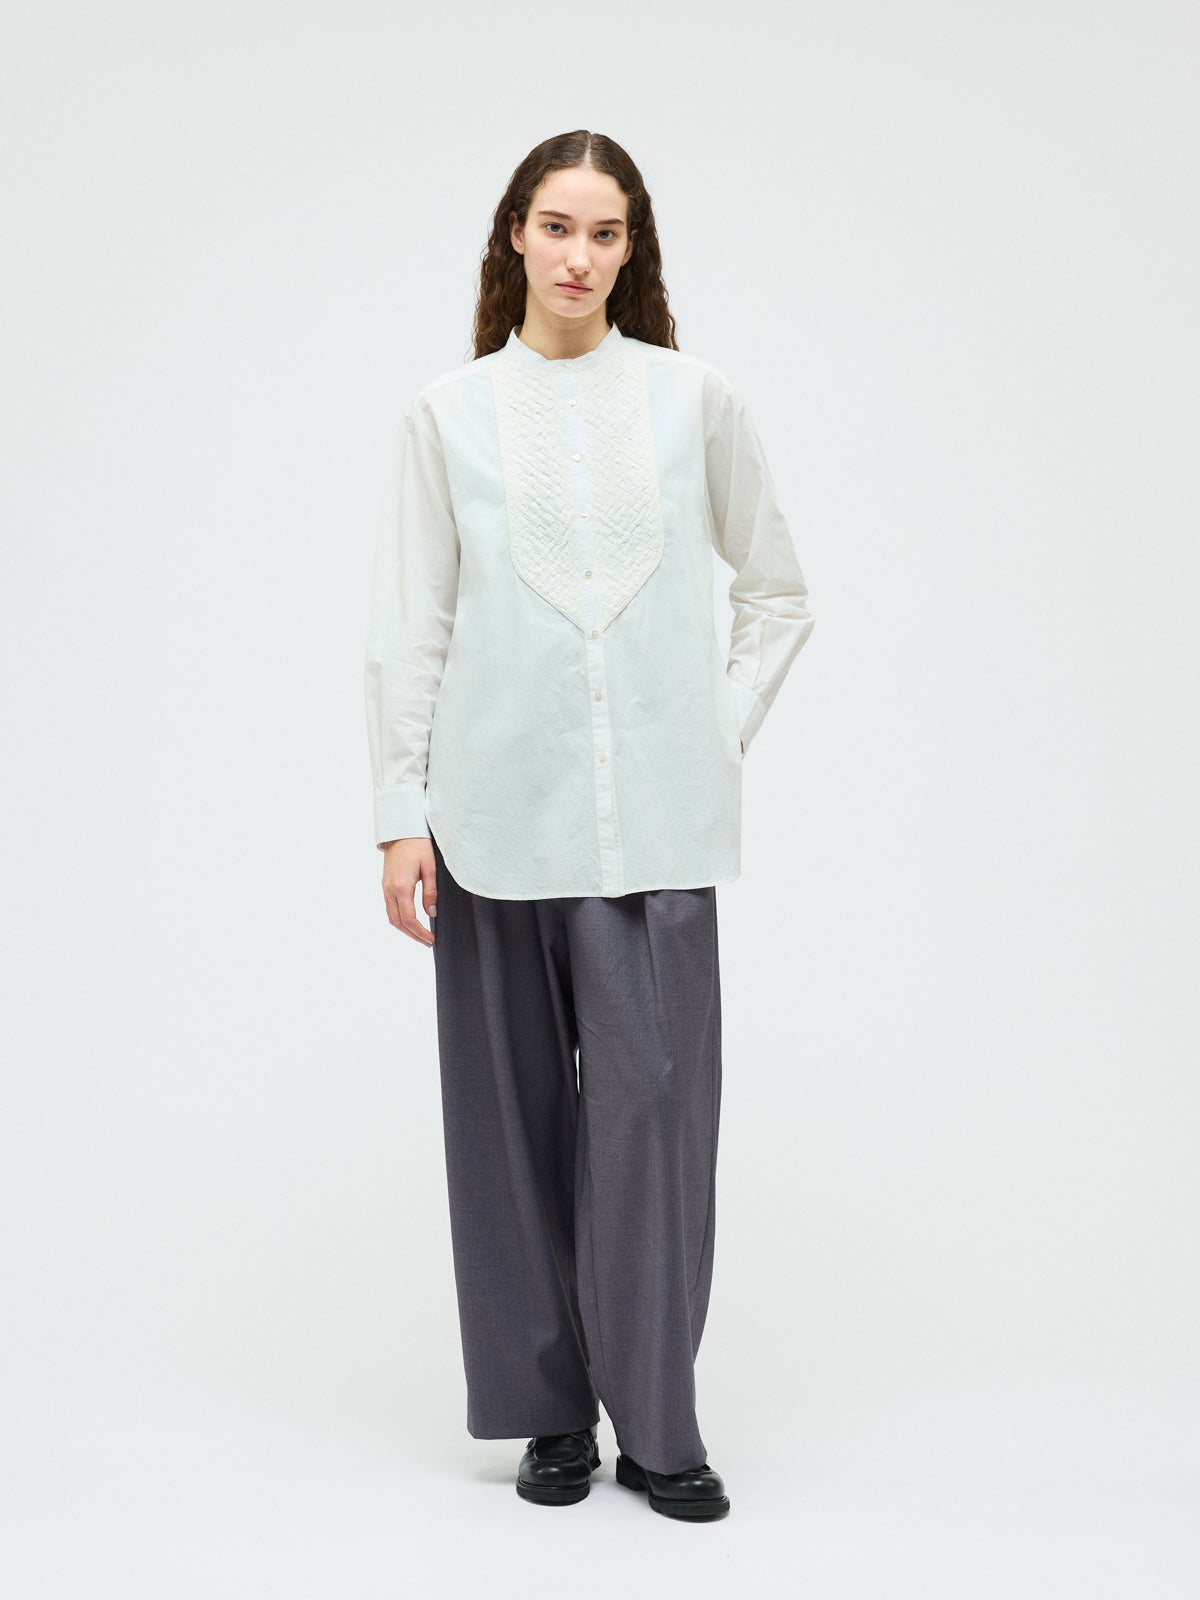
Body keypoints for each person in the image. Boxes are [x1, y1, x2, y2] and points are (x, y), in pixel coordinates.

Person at [364, 129, 814, 1522]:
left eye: (604, 232)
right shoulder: (448, 415)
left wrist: (714, 726)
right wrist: (398, 814)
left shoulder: (694, 401)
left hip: (657, 830)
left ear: (633, 248)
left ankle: (660, 1424)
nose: (577, 256)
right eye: (555, 227)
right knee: (506, 1130)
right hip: (491, 820)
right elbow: (411, 626)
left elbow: (779, 591)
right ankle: (551, 1417)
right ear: (515, 234)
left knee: (656, 1118)